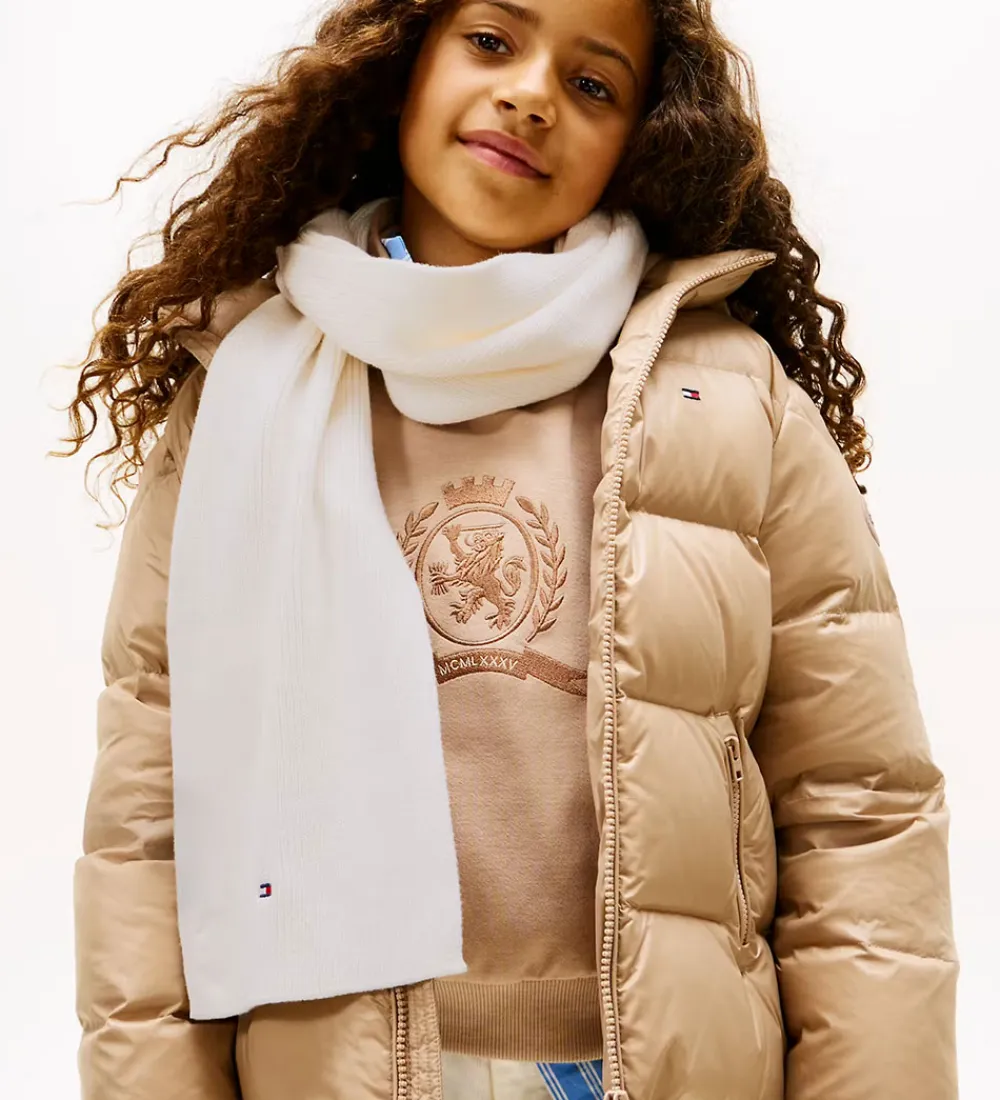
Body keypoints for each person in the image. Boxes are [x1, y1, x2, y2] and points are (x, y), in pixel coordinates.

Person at [58, 1, 959, 1098]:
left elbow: (856, 810)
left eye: (594, 85)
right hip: (332, 1068)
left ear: (642, 140)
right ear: (403, 65)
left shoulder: (732, 399)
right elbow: (148, 831)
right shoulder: (245, 396)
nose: (531, 95)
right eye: (491, 41)